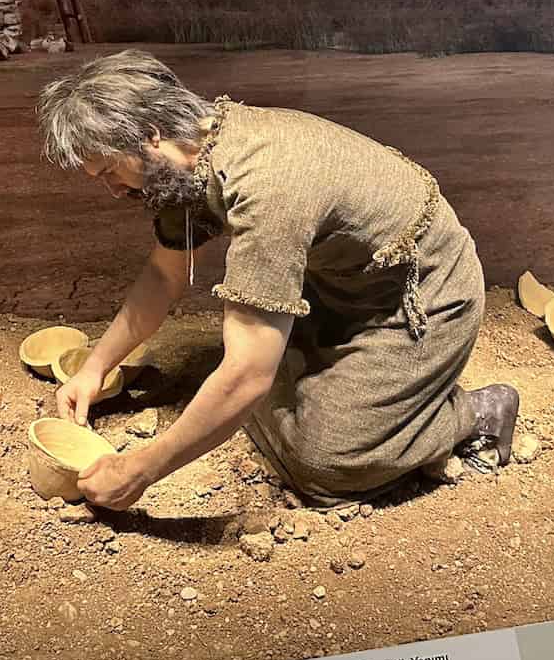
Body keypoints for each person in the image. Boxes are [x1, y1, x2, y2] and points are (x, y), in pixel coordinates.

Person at [36, 49, 518, 510]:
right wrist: (95, 367)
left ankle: (471, 414)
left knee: (324, 464)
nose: (113, 189)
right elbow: (164, 275)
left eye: (108, 172)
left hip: (418, 295)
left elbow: (246, 375)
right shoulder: (192, 155)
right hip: (336, 283)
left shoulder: (267, 185)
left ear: (151, 134)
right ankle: (330, 396)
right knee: (239, 385)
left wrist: (141, 470)